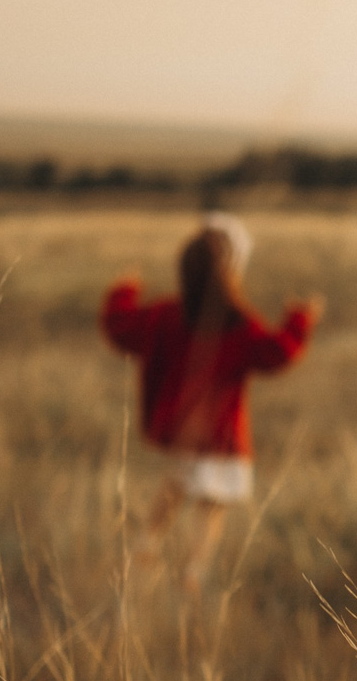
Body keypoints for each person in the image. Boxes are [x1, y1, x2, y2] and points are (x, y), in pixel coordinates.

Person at [100, 213, 322, 588]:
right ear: (232, 272)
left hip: (181, 430)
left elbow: (120, 328)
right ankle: (193, 573)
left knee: (173, 486)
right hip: (222, 438)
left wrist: (123, 292)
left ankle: (148, 542)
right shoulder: (238, 325)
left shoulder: (165, 315)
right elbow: (277, 353)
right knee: (211, 509)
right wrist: (299, 320)